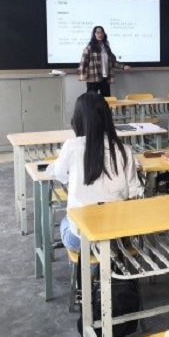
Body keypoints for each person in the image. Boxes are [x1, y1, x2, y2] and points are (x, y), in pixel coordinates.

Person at [47, 93, 142, 251]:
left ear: (77, 120)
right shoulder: (124, 150)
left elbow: (59, 174)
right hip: (117, 235)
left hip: (83, 239)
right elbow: (134, 191)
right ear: (107, 118)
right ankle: (105, 259)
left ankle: (86, 263)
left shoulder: (72, 146)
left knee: (66, 220)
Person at [77, 25, 130, 97]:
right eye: (98, 33)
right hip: (93, 77)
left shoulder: (106, 48)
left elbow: (113, 61)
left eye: (102, 32)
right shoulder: (89, 48)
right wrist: (82, 73)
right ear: (94, 34)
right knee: (91, 98)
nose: (100, 34)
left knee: (106, 98)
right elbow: (83, 62)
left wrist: (123, 66)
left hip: (105, 77)